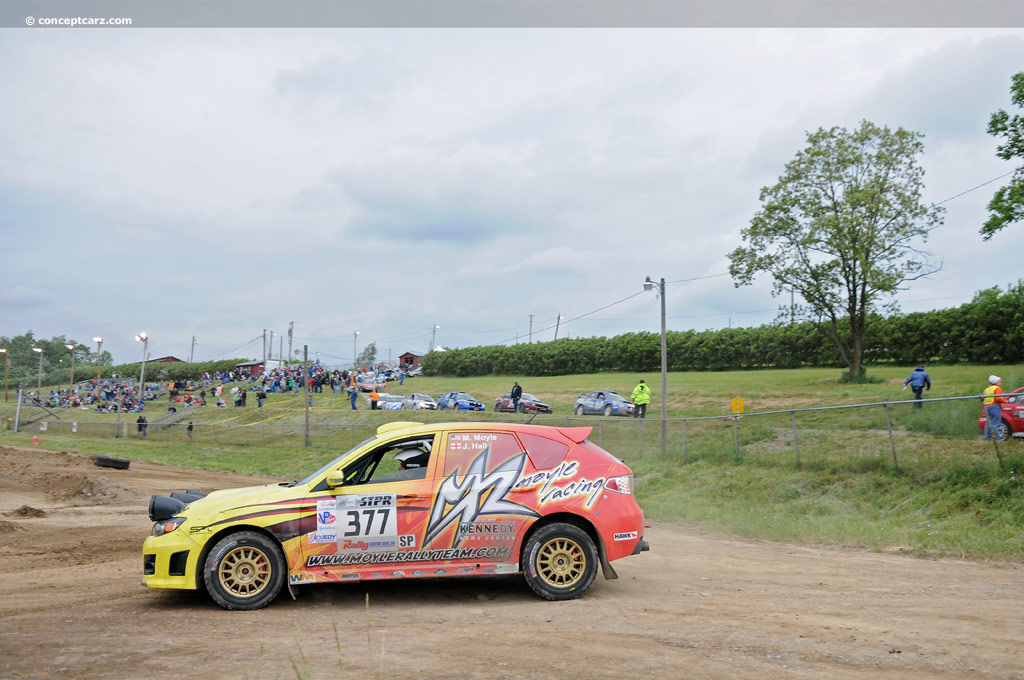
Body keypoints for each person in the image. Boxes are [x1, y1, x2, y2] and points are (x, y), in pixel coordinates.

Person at [983, 375, 1006, 441]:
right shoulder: (997, 388)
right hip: (994, 406)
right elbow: (998, 398)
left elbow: (984, 398)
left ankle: (987, 439)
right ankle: (997, 439)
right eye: (1000, 381)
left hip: (987, 406)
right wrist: (1005, 401)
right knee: (996, 424)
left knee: (988, 423)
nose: (1001, 383)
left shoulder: (987, 389)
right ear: (996, 382)